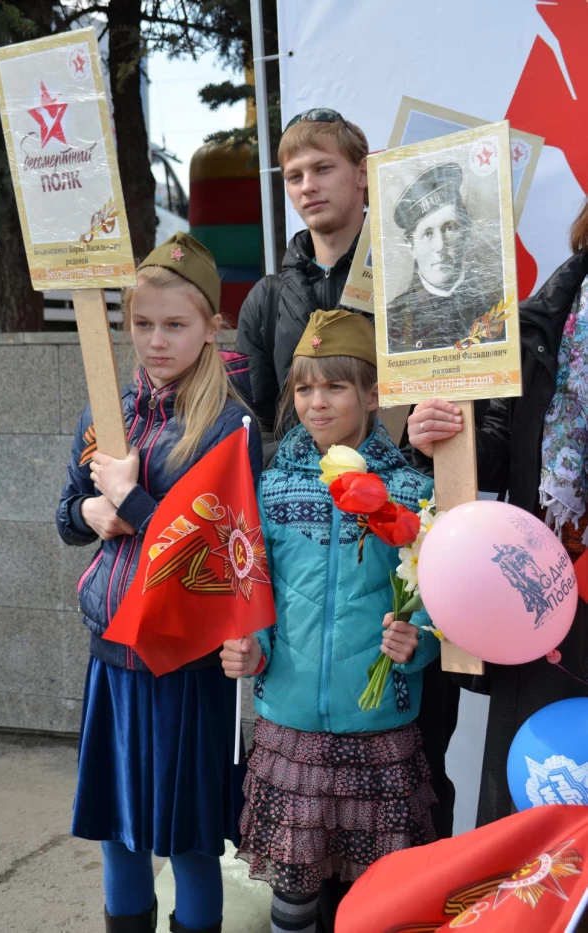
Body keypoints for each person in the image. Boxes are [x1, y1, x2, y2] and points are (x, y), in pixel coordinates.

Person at [56, 232, 262, 933]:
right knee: (118, 829)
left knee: (188, 836)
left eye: (175, 324)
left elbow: (214, 559)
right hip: (111, 656)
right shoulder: (106, 412)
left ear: (211, 325)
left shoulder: (229, 426)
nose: (157, 340)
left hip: (186, 662)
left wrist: (134, 501)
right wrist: (92, 508)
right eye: (142, 324)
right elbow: (64, 516)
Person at [221, 309, 440, 933]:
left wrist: (416, 639)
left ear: (373, 394)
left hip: (379, 722)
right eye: (305, 387)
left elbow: (432, 585)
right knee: (293, 890)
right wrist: (252, 648)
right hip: (289, 722)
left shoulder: (407, 486)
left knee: (381, 890)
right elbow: (253, 585)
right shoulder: (267, 486)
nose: (317, 402)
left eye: (336, 386)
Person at [406, 196, 588, 826]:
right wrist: (439, 435)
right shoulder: (548, 315)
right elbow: (500, 451)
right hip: (553, 601)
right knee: (532, 821)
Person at [236, 109, 369, 432]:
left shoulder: (408, 278)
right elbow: (253, 425)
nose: (307, 186)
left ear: (362, 173)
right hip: (292, 479)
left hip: (393, 480)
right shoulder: (266, 299)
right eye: (294, 177)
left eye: (322, 169)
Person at [386, 162, 504, 353]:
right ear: (411, 246)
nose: (440, 246)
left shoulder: (497, 310)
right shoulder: (392, 320)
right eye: (427, 234)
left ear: (466, 232)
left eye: (449, 229)